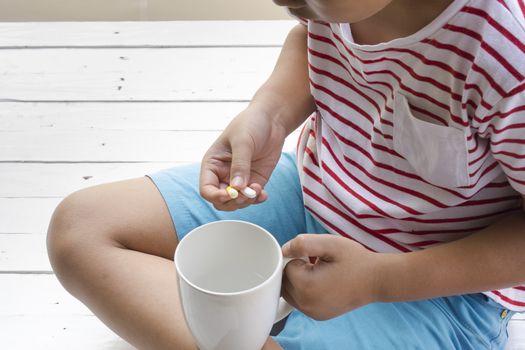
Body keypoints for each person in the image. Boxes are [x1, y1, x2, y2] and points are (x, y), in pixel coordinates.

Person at [47, 0, 525, 349]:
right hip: (313, 195)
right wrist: (269, 115)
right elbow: (310, 38)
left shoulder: (507, 55)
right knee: (82, 227)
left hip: (440, 291)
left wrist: (379, 280)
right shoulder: (332, 5)